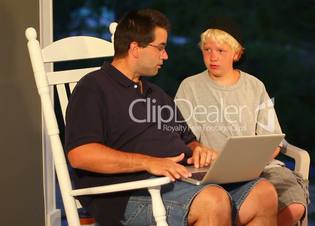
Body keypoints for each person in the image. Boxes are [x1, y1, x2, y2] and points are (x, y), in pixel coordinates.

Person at [65, 9, 278, 226]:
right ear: (135, 48)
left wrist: (197, 150)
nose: (165, 56)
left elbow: (188, 139)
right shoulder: (93, 88)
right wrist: (149, 163)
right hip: (129, 194)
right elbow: (81, 154)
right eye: (160, 48)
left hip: (180, 183)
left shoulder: (155, 93)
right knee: (213, 201)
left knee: (264, 194)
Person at [175, 19, 309, 226]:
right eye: (207, 50)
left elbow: (272, 138)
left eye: (221, 51)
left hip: (258, 167)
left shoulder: (254, 86)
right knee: (228, 203)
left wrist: (259, 157)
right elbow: (182, 136)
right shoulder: (190, 86)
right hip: (212, 171)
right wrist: (199, 150)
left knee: (294, 204)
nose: (213, 57)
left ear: (236, 54)